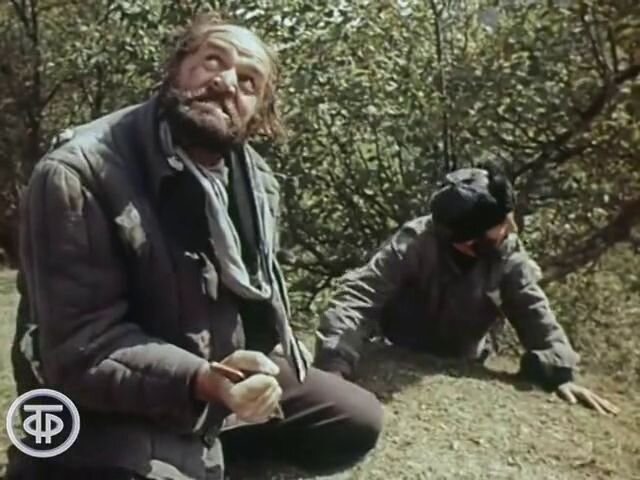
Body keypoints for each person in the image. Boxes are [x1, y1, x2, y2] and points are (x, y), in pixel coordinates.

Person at [7, 12, 382, 480]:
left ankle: (210, 443)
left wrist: (250, 375)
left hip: (211, 373)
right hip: (97, 395)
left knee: (354, 420)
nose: (226, 82)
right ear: (176, 68)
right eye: (212, 61)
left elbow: (253, 306)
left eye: (248, 81)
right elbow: (82, 349)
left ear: (259, 115)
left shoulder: (255, 184)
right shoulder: (78, 173)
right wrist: (204, 381)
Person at [314, 166, 619, 415]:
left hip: (464, 358)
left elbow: (531, 309)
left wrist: (558, 371)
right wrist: (334, 365)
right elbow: (359, 296)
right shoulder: (415, 243)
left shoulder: (507, 255)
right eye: (500, 228)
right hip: (396, 345)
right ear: (464, 240)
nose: (510, 231)